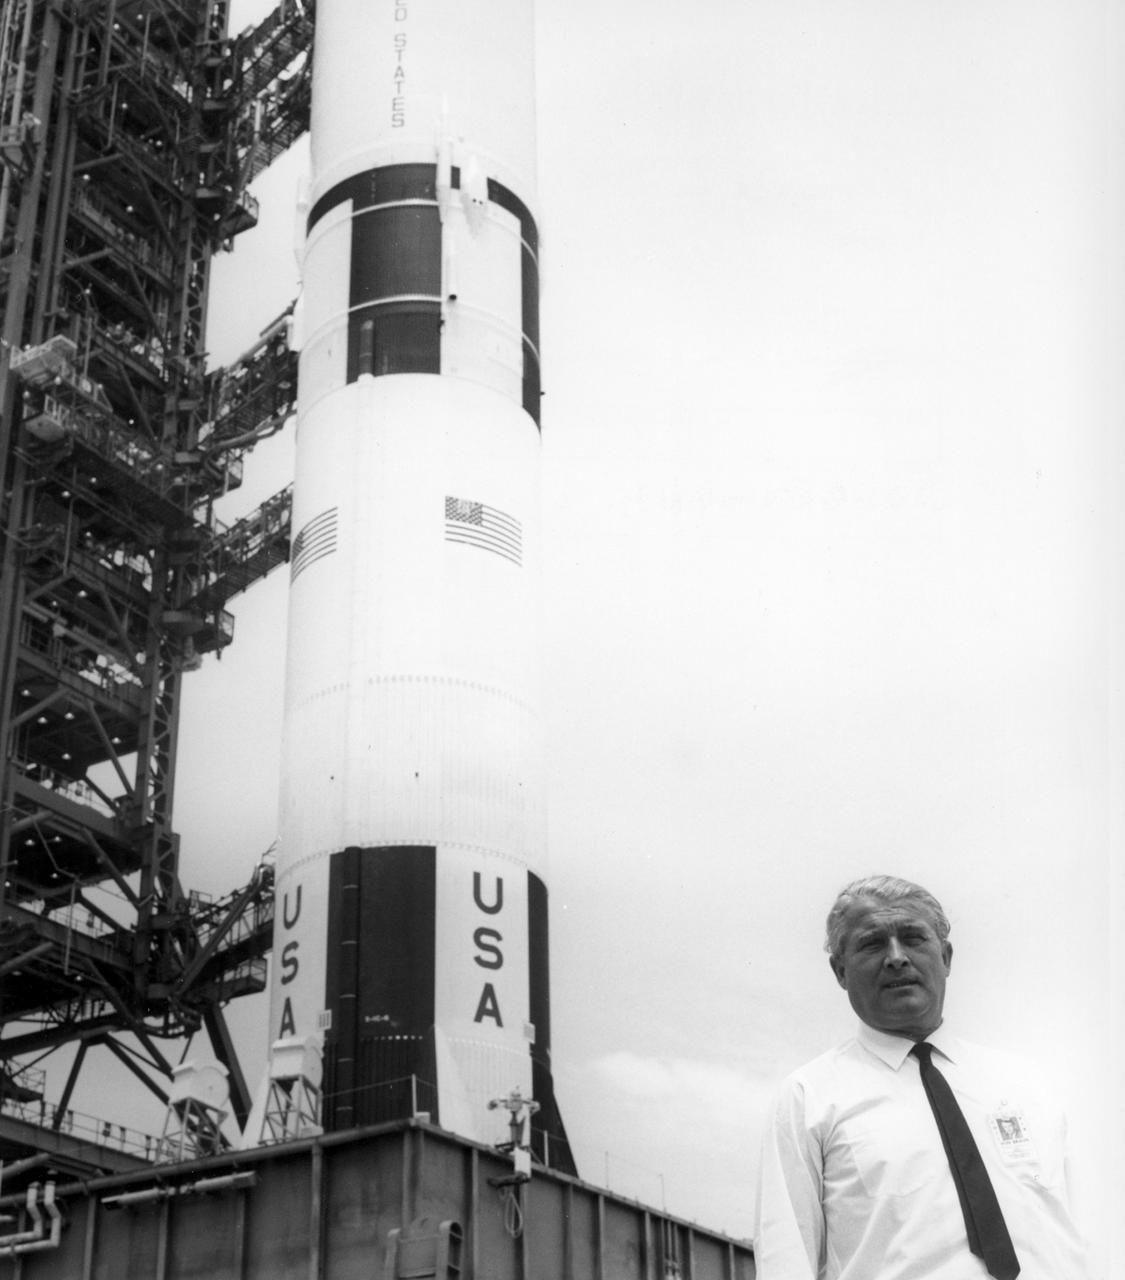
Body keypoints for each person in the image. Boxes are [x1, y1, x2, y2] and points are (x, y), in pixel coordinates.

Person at [754, 875, 1093, 1279]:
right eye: (872, 943)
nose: (896, 957)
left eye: (913, 938)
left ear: (946, 957)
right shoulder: (809, 1098)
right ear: (839, 971)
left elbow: (1091, 1234)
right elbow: (785, 1260)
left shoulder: (1030, 1087)